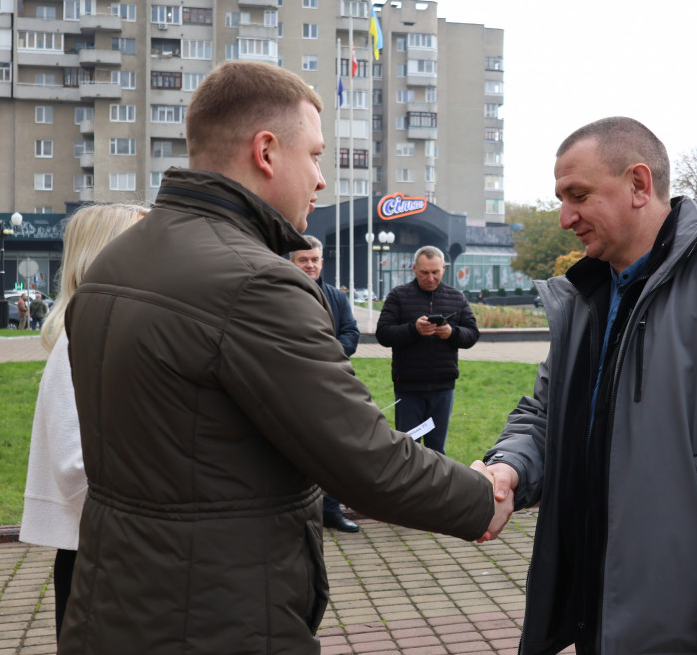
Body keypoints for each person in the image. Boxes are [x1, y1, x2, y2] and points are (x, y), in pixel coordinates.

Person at [59, 61, 508, 654]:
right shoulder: (255, 284)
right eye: (316, 156)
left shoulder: (115, 263)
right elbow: (362, 456)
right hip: (217, 615)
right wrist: (483, 498)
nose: (321, 180)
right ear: (266, 152)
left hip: (114, 604)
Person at [477, 117, 697, 655]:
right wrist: (508, 468)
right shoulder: (586, 298)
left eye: (578, 195)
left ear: (639, 185)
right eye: (561, 199)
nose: (565, 217)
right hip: (603, 617)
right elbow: (546, 415)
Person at [19, 203, 149, 642]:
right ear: (103, 254)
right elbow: (76, 466)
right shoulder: (77, 341)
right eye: (142, 243)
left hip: (116, 547)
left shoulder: (109, 330)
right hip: (103, 553)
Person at [376, 246, 480, 454]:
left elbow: (473, 334)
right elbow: (383, 334)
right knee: (408, 449)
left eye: (435, 272)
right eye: (424, 272)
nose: (430, 278)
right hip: (408, 387)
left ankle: (437, 478)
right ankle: (407, 477)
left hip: (443, 386)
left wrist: (452, 334)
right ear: (414, 269)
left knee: (437, 450)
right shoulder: (398, 296)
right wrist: (413, 329)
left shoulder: (456, 297)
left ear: (444, 269)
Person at [290, 235, 361, 533]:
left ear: (322, 262)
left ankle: (330, 510)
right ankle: (297, 513)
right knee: (296, 449)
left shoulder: (337, 297)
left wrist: (328, 354)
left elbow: (351, 333)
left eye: (314, 259)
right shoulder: (279, 295)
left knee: (334, 449)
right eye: (303, 260)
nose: (310, 265)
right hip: (293, 386)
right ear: (292, 262)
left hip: (332, 383)